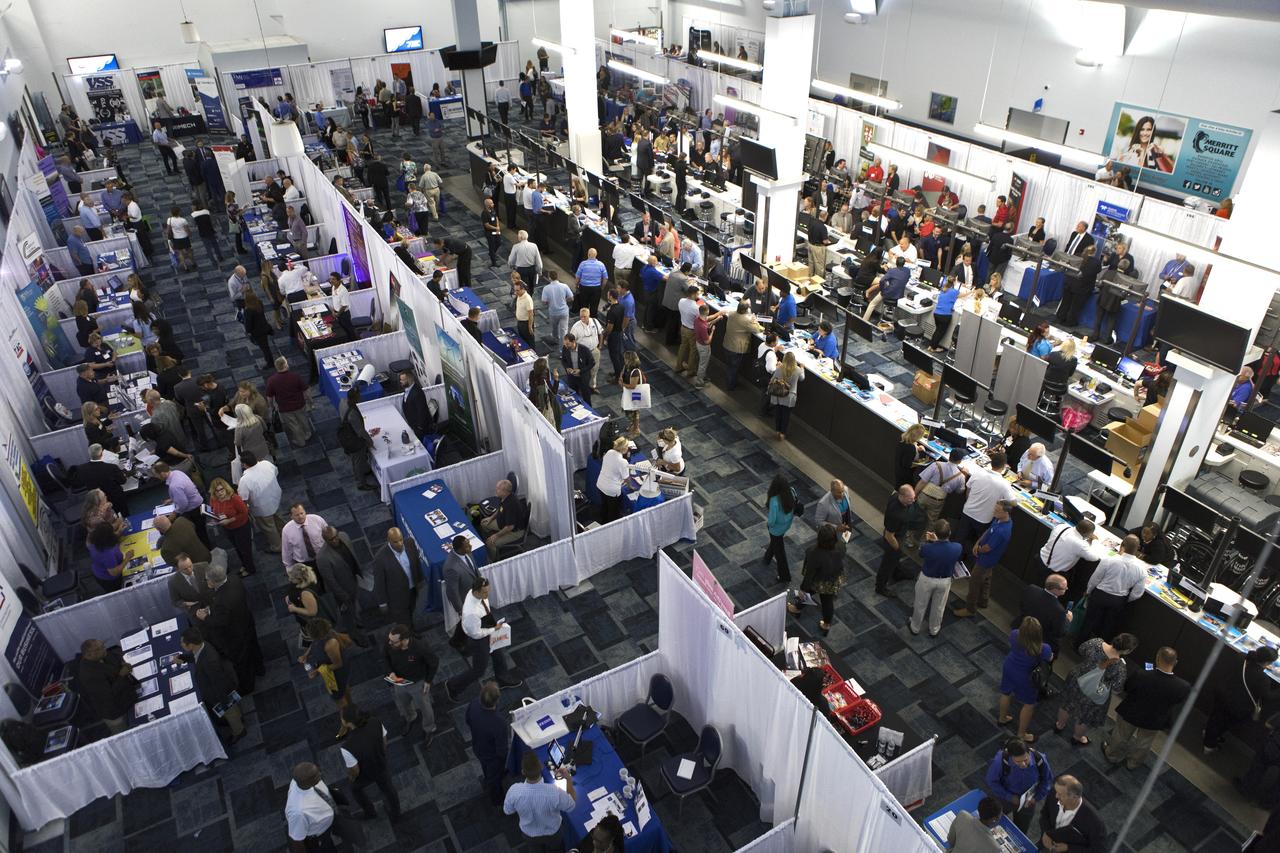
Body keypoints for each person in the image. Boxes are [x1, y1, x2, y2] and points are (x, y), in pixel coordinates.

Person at [1100, 645, 1190, 770]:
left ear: (1157, 658)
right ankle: (1133, 763)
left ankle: (1113, 755)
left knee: (1121, 735)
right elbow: (1178, 700)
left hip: (1131, 712)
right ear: (1175, 662)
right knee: (1144, 743)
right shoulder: (1183, 686)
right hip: (1155, 719)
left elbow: (1128, 688)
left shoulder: (1141, 674)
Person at [1055, 633, 1138, 746]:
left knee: (1067, 703)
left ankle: (1059, 725)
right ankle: (1077, 737)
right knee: (1085, 716)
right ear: (1127, 650)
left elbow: (1081, 649)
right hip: (1095, 692)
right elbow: (1117, 688)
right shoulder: (1120, 667)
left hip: (1077, 678)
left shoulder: (1096, 642)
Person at [446, 577, 522, 700]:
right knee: (479, 670)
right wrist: (494, 629)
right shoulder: (471, 613)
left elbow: (485, 611)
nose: (487, 594)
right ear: (476, 592)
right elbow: (476, 634)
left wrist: (492, 626)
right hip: (478, 639)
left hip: (485, 623)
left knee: (498, 651)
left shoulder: (476, 594)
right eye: (485, 592)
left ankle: (502, 679)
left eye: (488, 591)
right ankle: (453, 685)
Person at [195, 563, 265, 694]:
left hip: (236, 634)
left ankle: (248, 687)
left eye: (207, 579)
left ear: (213, 581)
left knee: (242, 662)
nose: (206, 581)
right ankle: (260, 669)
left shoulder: (222, 600)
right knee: (254, 648)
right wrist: (213, 610)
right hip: (247, 622)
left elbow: (221, 621)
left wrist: (205, 617)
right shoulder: (234, 578)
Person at [1204, 645, 1278, 753]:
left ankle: (1208, 733)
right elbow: (1267, 696)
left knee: (1215, 717)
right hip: (1236, 705)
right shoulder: (1263, 679)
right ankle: (1209, 745)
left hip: (1222, 693)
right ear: (1267, 663)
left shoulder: (1241, 657)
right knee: (1223, 723)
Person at [180, 625, 246, 743]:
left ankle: (239, 731)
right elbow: (195, 656)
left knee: (231, 713)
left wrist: (223, 703)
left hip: (222, 694)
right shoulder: (201, 645)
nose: (182, 645)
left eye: (183, 644)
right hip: (222, 688)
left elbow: (219, 684)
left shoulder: (210, 661)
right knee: (233, 711)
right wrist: (182, 657)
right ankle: (238, 720)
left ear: (191, 645)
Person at [338, 704, 401, 822]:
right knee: (389, 789)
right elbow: (384, 741)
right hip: (380, 764)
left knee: (355, 789)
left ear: (347, 723)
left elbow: (355, 770)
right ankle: (396, 814)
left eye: (342, 718)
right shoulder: (375, 721)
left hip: (365, 773)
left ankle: (370, 812)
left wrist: (352, 778)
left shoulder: (347, 747)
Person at [1079, 535, 1146, 642]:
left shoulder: (1109, 560)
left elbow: (1095, 579)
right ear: (1137, 549)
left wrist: (1088, 591)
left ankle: (1079, 645)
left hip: (1100, 595)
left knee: (1089, 621)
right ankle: (1101, 652)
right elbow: (1137, 593)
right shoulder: (1142, 570)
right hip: (1118, 600)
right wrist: (1124, 599)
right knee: (1108, 627)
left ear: (1122, 546)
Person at [505, 750, 577, 849]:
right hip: (553, 834)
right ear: (541, 767)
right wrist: (568, 779)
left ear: (522, 771)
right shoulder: (554, 792)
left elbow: (508, 811)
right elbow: (571, 805)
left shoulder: (514, 790)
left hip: (529, 835)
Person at [955, 499, 1014, 617]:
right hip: (990, 560)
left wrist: (978, 550)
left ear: (1006, 512)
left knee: (974, 582)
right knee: (986, 579)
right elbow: (988, 530)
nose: (994, 512)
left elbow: (987, 548)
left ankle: (970, 609)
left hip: (985, 560)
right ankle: (983, 601)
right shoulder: (1001, 520)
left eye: (997, 510)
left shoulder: (1002, 531)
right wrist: (978, 542)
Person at [1000, 617, 1054, 745]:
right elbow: (1049, 658)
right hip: (1026, 677)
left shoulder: (1014, 635)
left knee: (1005, 693)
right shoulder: (1044, 648)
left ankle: (1002, 718)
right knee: (1028, 704)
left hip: (1009, 667)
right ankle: (1021, 734)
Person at [985, 738, 1053, 834]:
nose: (1023, 764)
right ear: (1011, 756)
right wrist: (1009, 797)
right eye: (1018, 762)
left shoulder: (1040, 759)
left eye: (1026, 760)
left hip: (1028, 801)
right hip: (1004, 797)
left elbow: (1047, 780)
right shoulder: (1000, 761)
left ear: (1029, 752)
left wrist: (1036, 798)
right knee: (993, 820)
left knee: (1021, 829)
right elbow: (991, 781)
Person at [911, 520, 961, 637]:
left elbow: (921, 554)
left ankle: (915, 627)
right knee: (939, 607)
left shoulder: (927, 547)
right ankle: (934, 629)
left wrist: (931, 541)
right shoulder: (957, 548)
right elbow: (946, 549)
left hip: (927, 579)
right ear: (949, 532)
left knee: (920, 604)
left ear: (935, 533)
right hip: (944, 581)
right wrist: (937, 541)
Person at [77, 638, 137, 734]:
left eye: (103, 646)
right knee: (126, 734)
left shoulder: (100, 655)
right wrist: (122, 675)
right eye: (100, 649)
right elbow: (109, 695)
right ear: (89, 655)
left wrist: (122, 663)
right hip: (115, 712)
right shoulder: (89, 675)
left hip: (128, 697)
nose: (105, 649)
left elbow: (114, 658)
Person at [1036, 519, 1102, 603]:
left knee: (1039, 586)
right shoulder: (1080, 544)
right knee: (1049, 597)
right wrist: (1094, 540)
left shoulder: (1062, 526)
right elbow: (1094, 557)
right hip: (1054, 571)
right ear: (1087, 534)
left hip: (1041, 559)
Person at [876, 484, 926, 596]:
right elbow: (889, 535)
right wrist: (897, 547)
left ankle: (898, 573)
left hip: (898, 534)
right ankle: (880, 587)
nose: (913, 501)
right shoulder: (897, 514)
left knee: (895, 558)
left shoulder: (895, 496)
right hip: (893, 538)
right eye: (911, 499)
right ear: (902, 496)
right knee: (887, 563)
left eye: (914, 498)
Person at [372, 526, 424, 631]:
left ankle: (411, 628)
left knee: (412, 610)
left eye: (401, 540)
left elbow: (416, 563)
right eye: (396, 542)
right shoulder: (380, 559)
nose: (400, 544)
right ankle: (409, 637)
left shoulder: (410, 543)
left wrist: (420, 579)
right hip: (397, 598)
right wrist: (382, 603)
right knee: (403, 622)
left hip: (413, 589)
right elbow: (379, 583)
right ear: (389, 541)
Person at [467, 681, 510, 805]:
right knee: (495, 779)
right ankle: (497, 799)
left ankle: (489, 780)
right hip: (493, 757)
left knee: (486, 769)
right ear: (496, 701)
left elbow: (467, 720)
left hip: (478, 747)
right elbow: (502, 750)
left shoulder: (474, 703)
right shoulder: (498, 723)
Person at [1038, 775, 1107, 852]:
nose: (1056, 796)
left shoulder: (1095, 823)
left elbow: (1098, 850)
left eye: (1060, 794)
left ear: (1075, 797)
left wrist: (1068, 848)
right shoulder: (1054, 793)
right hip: (1045, 845)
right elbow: (1044, 814)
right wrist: (1045, 833)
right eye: (1056, 791)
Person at [153, 461, 210, 548]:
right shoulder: (177, 472)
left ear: (163, 474)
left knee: (200, 533)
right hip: (199, 504)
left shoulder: (174, 486)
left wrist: (173, 515)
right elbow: (184, 491)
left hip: (194, 510)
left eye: (157, 475)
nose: (156, 477)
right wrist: (173, 499)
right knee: (202, 530)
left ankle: (206, 550)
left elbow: (183, 505)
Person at [237, 451, 284, 553]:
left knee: (269, 528)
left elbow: (243, 498)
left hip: (262, 508)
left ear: (244, 464)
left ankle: (277, 546)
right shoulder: (266, 464)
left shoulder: (245, 480)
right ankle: (285, 535)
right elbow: (275, 473)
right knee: (278, 519)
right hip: (275, 498)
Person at [208, 477, 255, 578]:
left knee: (245, 549)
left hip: (241, 526)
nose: (220, 493)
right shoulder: (213, 499)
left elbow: (244, 513)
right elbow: (213, 509)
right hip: (228, 528)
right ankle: (244, 564)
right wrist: (215, 519)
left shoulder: (234, 499)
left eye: (221, 489)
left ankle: (251, 569)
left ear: (226, 488)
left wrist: (229, 520)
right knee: (237, 547)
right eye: (217, 491)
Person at [1017, 574, 1072, 658]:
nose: (1067, 589)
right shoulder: (1059, 611)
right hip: (1040, 641)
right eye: (1064, 588)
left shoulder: (1031, 588)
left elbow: (1022, 605)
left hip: (1021, 628)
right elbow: (1059, 632)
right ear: (1055, 590)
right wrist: (1068, 620)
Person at [266, 357, 313, 448]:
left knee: (293, 425)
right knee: (303, 419)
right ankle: (308, 434)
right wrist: (310, 401)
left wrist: (271, 406)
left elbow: (269, 397)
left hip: (285, 408)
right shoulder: (295, 376)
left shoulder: (272, 380)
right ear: (285, 365)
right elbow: (306, 390)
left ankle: (301, 441)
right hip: (300, 404)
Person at [763, 475, 798, 585]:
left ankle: (785, 576)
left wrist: (768, 525)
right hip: (786, 525)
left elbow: (772, 520)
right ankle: (767, 558)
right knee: (776, 543)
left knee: (780, 554)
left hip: (775, 529)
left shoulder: (774, 501)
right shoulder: (791, 492)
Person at [480, 479, 525, 552]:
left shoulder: (511, 505)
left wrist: (496, 535)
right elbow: (500, 509)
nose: (496, 490)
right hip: (502, 523)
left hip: (514, 532)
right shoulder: (504, 497)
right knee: (483, 523)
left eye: (498, 489)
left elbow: (510, 527)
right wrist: (491, 518)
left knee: (491, 543)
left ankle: (493, 560)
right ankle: (490, 538)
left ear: (504, 492)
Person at [768, 351, 805, 441]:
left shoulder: (780, 368)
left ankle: (777, 430)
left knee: (778, 413)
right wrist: (802, 368)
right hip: (789, 397)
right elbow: (802, 378)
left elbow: (772, 379)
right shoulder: (797, 370)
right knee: (786, 415)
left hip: (778, 395)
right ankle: (783, 433)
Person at [86, 521, 126, 593]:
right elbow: (114, 573)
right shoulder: (107, 554)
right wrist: (127, 558)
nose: (114, 533)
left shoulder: (97, 541)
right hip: (110, 580)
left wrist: (119, 531)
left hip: (102, 568)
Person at [895, 424, 929, 490]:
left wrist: (918, 448)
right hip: (906, 476)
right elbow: (907, 464)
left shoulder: (903, 439)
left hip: (899, 471)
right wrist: (923, 463)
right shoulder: (910, 448)